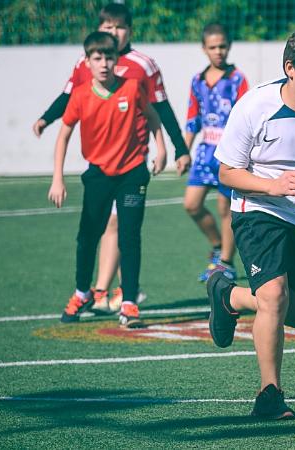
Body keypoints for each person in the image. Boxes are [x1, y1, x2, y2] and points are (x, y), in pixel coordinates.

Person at [207, 29, 295, 420]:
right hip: (259, 210)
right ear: (290, 69)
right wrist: (272, 186)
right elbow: (227, 172)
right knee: (273, 296)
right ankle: (269, 394)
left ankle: (229, 296)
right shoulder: (255, 106)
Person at [32, 3, 191, 314]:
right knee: (100, 229)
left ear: (129, 31)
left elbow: (160, 108)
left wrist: (176, 147)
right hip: (100, 168)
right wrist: (45, 119)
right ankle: (99, 290)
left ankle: (121, 293)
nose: (113, 33)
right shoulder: (84, 63)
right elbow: (69, 99)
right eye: (108, 27)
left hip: (133, 165)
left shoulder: (143, 67)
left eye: (120, 27)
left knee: (122, 227)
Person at [48, 31, 167, 329]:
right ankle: (81, 293)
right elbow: (63, 136)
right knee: (87, 236)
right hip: (98, 175)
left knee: (129, 237)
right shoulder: (80, 95)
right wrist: (57, 179)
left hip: (132, 173)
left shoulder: (132, 87)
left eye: (109, 58)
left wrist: (161, 148)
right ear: (87, 62)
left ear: (117, 60)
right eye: (97, 58)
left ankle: (128, 302)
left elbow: (152, 116)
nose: (103, 64)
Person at [183, 23, 249, 282]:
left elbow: (246, 116)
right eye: (213, 47)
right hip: (204, 154)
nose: (218, 51)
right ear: (204, 49)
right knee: (191, 204)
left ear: (229, 46)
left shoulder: (237, 79)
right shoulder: (197, 81)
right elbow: (192, 119)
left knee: (225, 208)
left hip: (228, 154)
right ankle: (219, 245)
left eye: (222, 46)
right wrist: (183, 151)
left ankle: (226, 263)